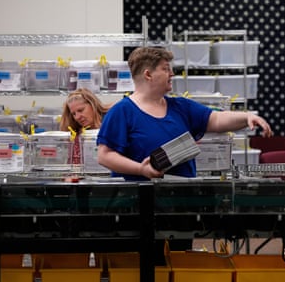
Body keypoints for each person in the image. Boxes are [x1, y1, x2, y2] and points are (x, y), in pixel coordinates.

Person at [97, 47, 272, 181]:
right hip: (140, 202)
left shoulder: (180, 106)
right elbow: (105, 156)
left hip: (180, 199)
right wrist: (141, 169)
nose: (172, 73)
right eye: (165, 69)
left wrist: (247, 116)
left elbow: (217, 119)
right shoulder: (122, 111)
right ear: (148, 74)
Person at [60, 87, 111, 164]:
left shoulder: (112, 124)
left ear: (93, 105)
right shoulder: (76, 135)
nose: (77, 117)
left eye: (81, 110)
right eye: (74, 114)